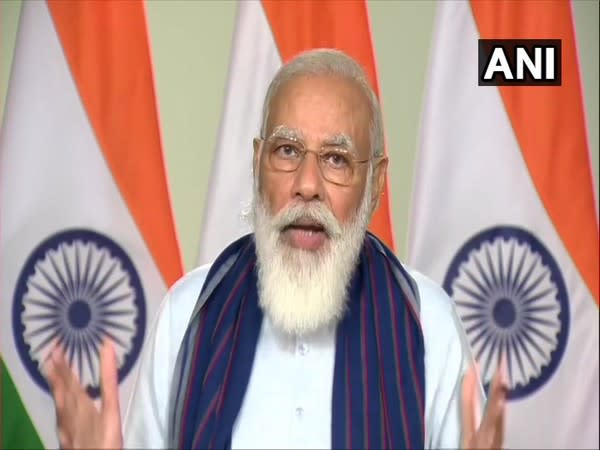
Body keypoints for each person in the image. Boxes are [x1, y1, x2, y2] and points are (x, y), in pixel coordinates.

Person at [45, 48, 507, 449]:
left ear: (376, 182)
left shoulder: (429, 324)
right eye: (287, 151)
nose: (307, 186)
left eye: (336, 159)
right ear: (257, 162)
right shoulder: (188, 313)